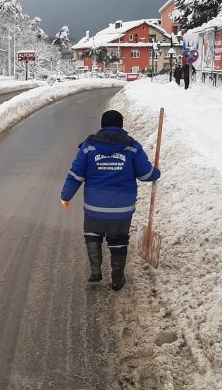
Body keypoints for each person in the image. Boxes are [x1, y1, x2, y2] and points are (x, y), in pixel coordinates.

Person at [61, 110, 161, 291]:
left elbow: (76, 175)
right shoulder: (132, 147)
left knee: (93, 234)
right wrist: (156, 173)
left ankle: (95, 271)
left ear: (102, 125)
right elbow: (145, 174)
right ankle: (117, 278)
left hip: (94, 208)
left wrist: (66, 196)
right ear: (121, 125)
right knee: (118, 240)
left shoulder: (89, 146)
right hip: (121, 209)